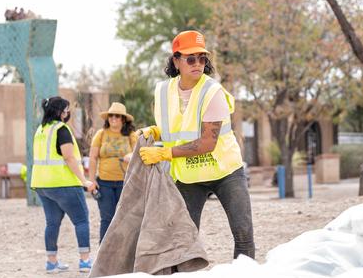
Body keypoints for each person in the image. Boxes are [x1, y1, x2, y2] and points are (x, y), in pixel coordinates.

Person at [138, 30, 255, 259]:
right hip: (190, 176)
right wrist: (155, 131)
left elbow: (207, 143)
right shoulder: (163, 91)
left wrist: (165, 153)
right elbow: (177, 127)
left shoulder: (213, 92)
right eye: (191, 58)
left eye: (202, 58)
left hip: (225, 171)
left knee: (243, 232)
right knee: (184, 236)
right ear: (176, 60)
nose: (198, 63)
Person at [30, 96, 96, 274]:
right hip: (64, 183)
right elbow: (68, 157)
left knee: (52, 223)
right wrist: (84, 181)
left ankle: (51, 263)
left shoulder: (40, 130)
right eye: (67, 111)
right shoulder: (62, 129)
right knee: (81, 220)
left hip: (42, 184)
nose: (68, 114)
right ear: (60, 112)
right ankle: (85, 261)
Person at [88, 102, 138, 243]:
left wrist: (132, 156)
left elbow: (140, 154)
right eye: (111, 116)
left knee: (125, 218)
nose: (113, 118)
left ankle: (122, 251)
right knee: (107, 218)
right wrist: (91, 180)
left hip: (126, 183)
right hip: (104, 183)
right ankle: (103, 251)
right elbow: (92, 158)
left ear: (123, 119)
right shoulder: (101, 134)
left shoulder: (132, 135)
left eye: (117, 116)